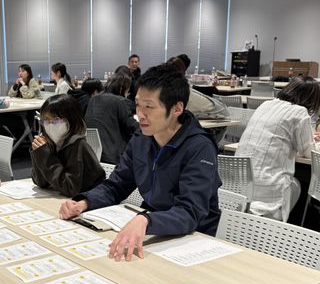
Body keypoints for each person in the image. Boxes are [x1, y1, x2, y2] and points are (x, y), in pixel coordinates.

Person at [59, 64, 221, 261]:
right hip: (152, 231)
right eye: (137, 105)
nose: (140, 115)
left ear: (177, 108)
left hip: (193, 241)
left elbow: (190, 212)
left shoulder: (199, 147)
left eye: (149, 107)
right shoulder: (141, 139)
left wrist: (147, 220)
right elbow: (117, 185)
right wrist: (84, 202)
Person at [236, 77, 320, 222]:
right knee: (297, 185)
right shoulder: (299, 112)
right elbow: (308, 152)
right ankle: (286, 227)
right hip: (267, 186)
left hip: (240, 182)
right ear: (312, 99)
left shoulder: (266, 104)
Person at [31, 94, 105, 197]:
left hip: (89, 200)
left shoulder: (79, 146)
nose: (50, 124)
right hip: (65, 199)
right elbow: (40, 182)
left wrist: (46, 156)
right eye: (46, 120)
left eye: (56, 119)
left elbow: (69, 188)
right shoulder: (53, 143)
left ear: (71, 119)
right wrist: (39, 153)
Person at [84, 74, 138, 164]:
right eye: (127, 90)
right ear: (121, 88)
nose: (128, 93)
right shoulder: (119, 101)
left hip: (93, 154)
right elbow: (131, 126)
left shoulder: (93, 99)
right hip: (114, 155)